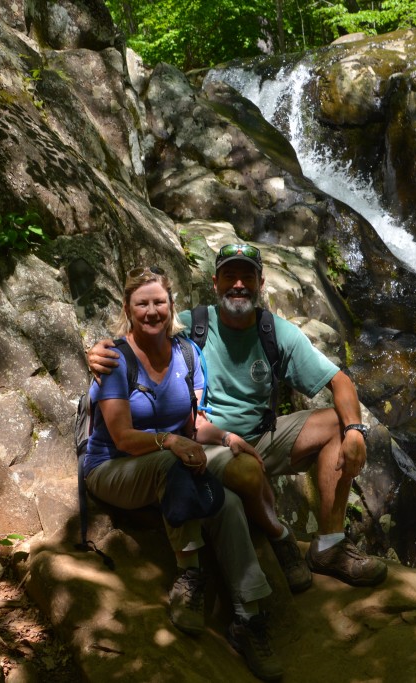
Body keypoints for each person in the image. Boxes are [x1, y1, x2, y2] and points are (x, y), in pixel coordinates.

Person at [89, 245, 388, 598]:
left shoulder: (275, 333)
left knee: (338, 423)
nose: (239, 284)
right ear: (216, 282)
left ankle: (330, 547)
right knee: (241, 471)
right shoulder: (190, 326)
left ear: (261, 283)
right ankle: (279, 542)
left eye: (247, 276)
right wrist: (97, 351)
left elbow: (339, 381)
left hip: (261, 437)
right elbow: (141, 336)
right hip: (206, 441)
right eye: (230, 276)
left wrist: (355, 431)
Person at [80, 266, 283, 681]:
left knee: (226, 505)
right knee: (174, 462)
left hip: (173, 463)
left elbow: (194, 425)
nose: (152, 311)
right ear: (128, 308)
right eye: (142, 303)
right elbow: (121, 436)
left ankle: (249, 615)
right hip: (113, 468)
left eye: (159, 302)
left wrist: (226, 438)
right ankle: (189, 574)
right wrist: (170, 443)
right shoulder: (115, 360)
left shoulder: (187, 354)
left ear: (171, 306)